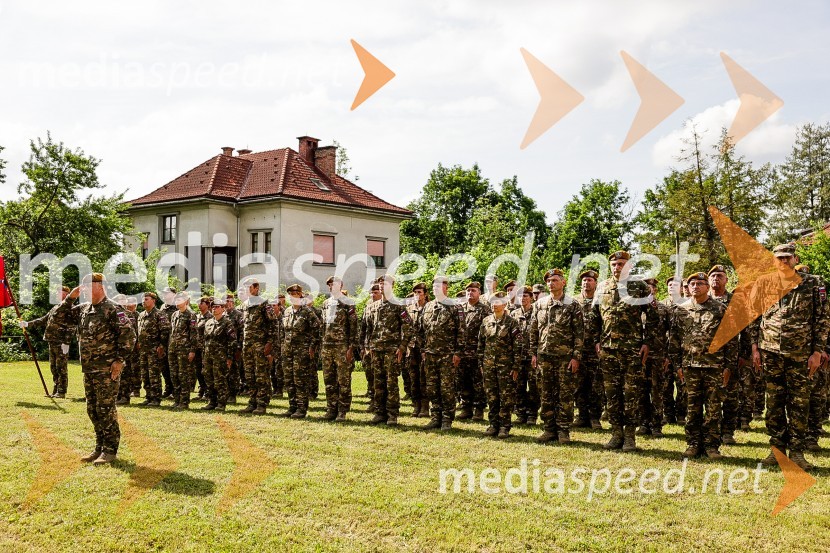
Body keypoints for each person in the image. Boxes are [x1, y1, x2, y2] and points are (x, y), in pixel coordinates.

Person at [753, 243, 828, 470]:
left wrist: (817, 352)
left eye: (787, 257)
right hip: (770, 353)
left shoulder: (813, 283)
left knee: (799, 403)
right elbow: (754, 318)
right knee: (774, 403)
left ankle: (797, 453)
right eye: (779, 258)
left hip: (800, 354)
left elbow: (822, 319)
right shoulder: (764, 283)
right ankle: (776, 451)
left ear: (795, 259)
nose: (783, 261)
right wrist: (754, 349)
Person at [53, 273, 135, 464]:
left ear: (100, 286)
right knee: (93, 409)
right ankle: (99, 447)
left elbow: (129, 337)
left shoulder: (113, 309)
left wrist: (119, 361)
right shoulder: (84, 309)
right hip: (89, 369)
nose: (84, 289)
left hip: (107, 370)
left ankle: (110, 450)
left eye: (88, 285)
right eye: (83, 285)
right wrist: (70, 298)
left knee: (105, 409)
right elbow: (57, 317)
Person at [668, 272, 738, 459]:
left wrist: (728, 366)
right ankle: (693, 444)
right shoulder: (680, 310)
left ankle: (711, 446)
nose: (696, 286)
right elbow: (674, 340)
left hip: (714, 367)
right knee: (692, 408)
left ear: (707, 287)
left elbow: (731, 341)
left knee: (714, 409)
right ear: (688, 288)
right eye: (692, 284)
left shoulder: (720, 310)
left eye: (700, 283)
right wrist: (678, 366)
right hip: (690, 367)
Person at [592, 251, 657, 452]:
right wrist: (596, 341)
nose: (617, 267)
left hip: (632, 351)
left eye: (621, 263)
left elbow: (653, 318)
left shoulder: (640, 287)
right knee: (611, 394)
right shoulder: (601, 287)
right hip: (609, 351)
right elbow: (594, 318)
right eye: (614, 264)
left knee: (631, 394)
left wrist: (647, 342)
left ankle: (630, 436)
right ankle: (616, 433)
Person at [530, 269, 584, 444]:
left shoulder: (572, 305)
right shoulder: (539, 304)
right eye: (548, 281)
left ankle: (563, 430)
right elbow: (533, 331)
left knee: (565, 395)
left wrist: (576, 357)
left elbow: (579, 334)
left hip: (564, 358)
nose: (551, 283)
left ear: (563, 282)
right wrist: (533, 354)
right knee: (546, 394)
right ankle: (549, 429)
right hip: (544, 357)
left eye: (554, 280)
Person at [365, 275, 412, 426]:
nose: (381, 286)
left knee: (391, 383)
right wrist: (368, 346)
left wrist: (402, 346)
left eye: (384, 283)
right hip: (376, 349)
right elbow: (368, 328)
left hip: (392, 350)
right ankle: (379, 413)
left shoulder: (398, 306)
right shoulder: (373, 306)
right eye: (379, 283)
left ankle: (392, 414)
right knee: (378, 382)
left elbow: (408, 327)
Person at [420, 276, 465, 430]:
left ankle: (447, 419)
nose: (436, 288)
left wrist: (458, 352)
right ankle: (435, 417)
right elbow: (420, 330)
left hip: (447, 355)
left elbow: (461, 331)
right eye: (434, 286)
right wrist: (423, 350)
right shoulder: (428, 307)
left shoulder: (455, 307)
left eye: (440, 286)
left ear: (447, 288)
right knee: (432, 388)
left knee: (447, 388)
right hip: (430, 354)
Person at [478, 291, 520, 438]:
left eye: (498, 302)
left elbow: (518, 346)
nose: (495, 305)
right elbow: (481, 344)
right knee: (492, 396)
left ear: (504, 304)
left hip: (506, 367)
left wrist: (516, 367)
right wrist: (481, 364)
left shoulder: (512, 322)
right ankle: (493, 424)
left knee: (506, 397)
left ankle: (504, 427)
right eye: (493, 302)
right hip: (489, 366)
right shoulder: (486, 321)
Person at [20, 285, 73, 398]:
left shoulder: (69, 308)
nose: (58, 294)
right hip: (52, 341)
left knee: (61, 367)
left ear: (66, 294)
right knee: (53, 367)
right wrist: (28, 324)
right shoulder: (55, 307)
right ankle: (55, 390)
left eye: (60, 292)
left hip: (61, 342)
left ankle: (62, 391)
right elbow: (44, 319)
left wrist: (67, 342)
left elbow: (71, 326)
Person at [320, 276, 359, 421]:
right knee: (329, 379)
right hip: (327, 346)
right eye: (330, 284)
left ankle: (342, 410)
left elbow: (353, 325)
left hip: (342, 346)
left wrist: (351, 347)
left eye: (334, 283)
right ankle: (331, 409)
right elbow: (323, 326)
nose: (332, 286)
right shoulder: (325, 303)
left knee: (343, 379)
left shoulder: (348, 302)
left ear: (341, 285)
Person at [282, 284, 321, 419]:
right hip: (288, 352)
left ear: (300, 295)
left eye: (295, 294)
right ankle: (292, 407)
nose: (293, 297)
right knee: (289, 380)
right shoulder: (287, 311)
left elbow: (317, 329)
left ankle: (301, 408)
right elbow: (283, 331)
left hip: (302, 352)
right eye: (290, 295)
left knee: (300, 380)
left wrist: (312, 346)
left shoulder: (307, 312)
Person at [239, 280, 277, 415]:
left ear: (256, 288)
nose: (247, 289)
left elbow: (273, 324)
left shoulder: (264, 303)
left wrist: (269, 344)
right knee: (249, 375)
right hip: (247, 346)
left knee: (261, 375)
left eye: (249, 287)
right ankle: (252, 401)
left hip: (261, 345)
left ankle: (262, 403)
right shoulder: (244, 305)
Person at [457, 281, 491, 421]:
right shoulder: (460, 309)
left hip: (477, 353)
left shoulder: (485, 309)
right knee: (463, 381)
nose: (470, 293)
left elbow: (488, 332)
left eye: (473, 291)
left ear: (479, 293)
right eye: (468, 291)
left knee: (478, 383)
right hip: (462, 353)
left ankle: (479, 409)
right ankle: (466, 408)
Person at [574, 270, 604, 429]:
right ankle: (581, 415)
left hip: (595, 350)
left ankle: (594, 417)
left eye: (590, 280)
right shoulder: (574, 302)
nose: (587, 283)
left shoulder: (601, 301)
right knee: (578, 384)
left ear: (595, 283)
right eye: (584, 280)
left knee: (595, 385)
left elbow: (605, 324)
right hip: (578, 350)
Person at [201, 299, 238, 412]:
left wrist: (230, 357)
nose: (214, 308)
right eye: (213, 307)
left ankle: (221, 403)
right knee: (209, 379)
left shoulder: (227, 323)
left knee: (220, 379)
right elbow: (205, 341)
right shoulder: (208, 322)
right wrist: (203, 356)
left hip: (220, 357)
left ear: (223, 309)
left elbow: (232, 341)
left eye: (217, 307)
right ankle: (212, 401)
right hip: (208, 356)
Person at [511, 285, 539, 425]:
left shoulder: (537, 312)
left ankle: (532, 415)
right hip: (518, 357)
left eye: (525, 296)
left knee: (534, 387)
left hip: (532, 356)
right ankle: (521, 413)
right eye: (520, 296)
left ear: (531, 297)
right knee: (518, 386)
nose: (522, 298)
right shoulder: (513, 314)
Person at [137, 292, 170, 407]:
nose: (143, 301)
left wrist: (161, 345)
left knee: (154, 374)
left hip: (154, 350)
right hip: (143, 350)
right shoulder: (141, 315)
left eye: (146, 299)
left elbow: (165, 330)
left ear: (153, 301)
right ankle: (148, 396)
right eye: (143, 299)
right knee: (145, 374)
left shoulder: (159, 314)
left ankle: (156, 398)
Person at [168, 292, 198, 409]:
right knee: (174, 375)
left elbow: (194, 335)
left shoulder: (191, 315)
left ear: (186, 301)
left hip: (184, 350)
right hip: (173, 349)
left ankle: (184, 401)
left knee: (183, 375)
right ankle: (177, 399)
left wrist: (192, 350)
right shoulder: (174, 314)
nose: (176, 301)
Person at [406, 282, 429, 417]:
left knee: (424, 378)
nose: (417, 295)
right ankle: (416, 406)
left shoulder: (429, 308)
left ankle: (425, 407)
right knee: (413, 378)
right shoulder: (409, 309)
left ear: (425, 295)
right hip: (411, 348)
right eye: (415, 293)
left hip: (424, 349)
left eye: (419, 292)